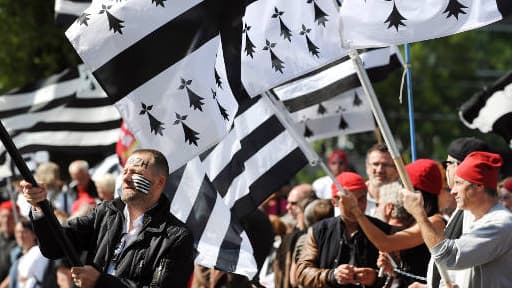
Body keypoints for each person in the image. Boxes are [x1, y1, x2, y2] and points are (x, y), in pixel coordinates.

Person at [21, 149, 194, 287]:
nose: (125, 177)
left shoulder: (176, 237)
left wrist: (101, 282)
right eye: (125, 171)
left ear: (160, 182)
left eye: (135, 172)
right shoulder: (105, 213)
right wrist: (40, 208)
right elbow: (55, 246)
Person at [403, 151, 512, 288]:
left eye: (459, 183)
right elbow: (459, 273)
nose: (453, 191)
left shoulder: (500, 224)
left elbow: (447, 256)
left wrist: (419, 215)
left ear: (478, 186)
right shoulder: (472, 216)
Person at [342, 159, 446, 287]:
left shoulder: (435, 222)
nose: (400, 193)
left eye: (402, 187)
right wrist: (394, 270)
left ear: (417, 194)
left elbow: (385, 243)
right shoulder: (415, 221)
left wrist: (355, 210)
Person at [296, 172, 389, 288]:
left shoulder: (382, 230)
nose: (357, 206)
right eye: (349, 202)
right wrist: (332, 275)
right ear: (334, 202)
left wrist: (375, 278)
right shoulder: (319, 230)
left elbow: (398, 272)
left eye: (361, 199)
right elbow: (302, 273)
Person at [8, 217, 49, 288]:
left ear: (34, 235)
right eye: (17, 232)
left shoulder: (38, 251)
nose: (20, 235)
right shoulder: (19, 257)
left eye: (24, 232)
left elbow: (25, 273)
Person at [365, 144, 399, 217]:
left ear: (397, 170)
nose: (379, 170)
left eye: (385, 165)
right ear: (367, 167)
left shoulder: (405, 199)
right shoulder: (355, 197)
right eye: (375, 164)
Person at [0, 201, 18, 287]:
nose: (6, 220)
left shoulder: (21, 240)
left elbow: (18, 268)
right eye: (3, 217)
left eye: (10, 217)